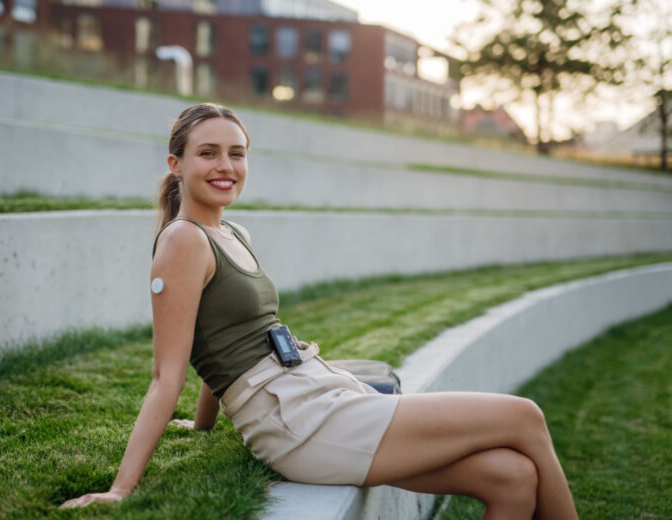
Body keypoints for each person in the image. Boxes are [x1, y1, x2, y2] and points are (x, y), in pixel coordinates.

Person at [60, 103, 579, 519]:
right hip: (297, 423)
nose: (226, 166)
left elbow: (217, 337)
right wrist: (121, 489)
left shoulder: (232, 232)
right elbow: (165, 375)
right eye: (208, 153)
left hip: (313, 388)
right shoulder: (181, 242)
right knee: (523, 415)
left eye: (237, 154)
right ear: (177, 165)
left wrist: (201, 427)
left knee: (512, 478)